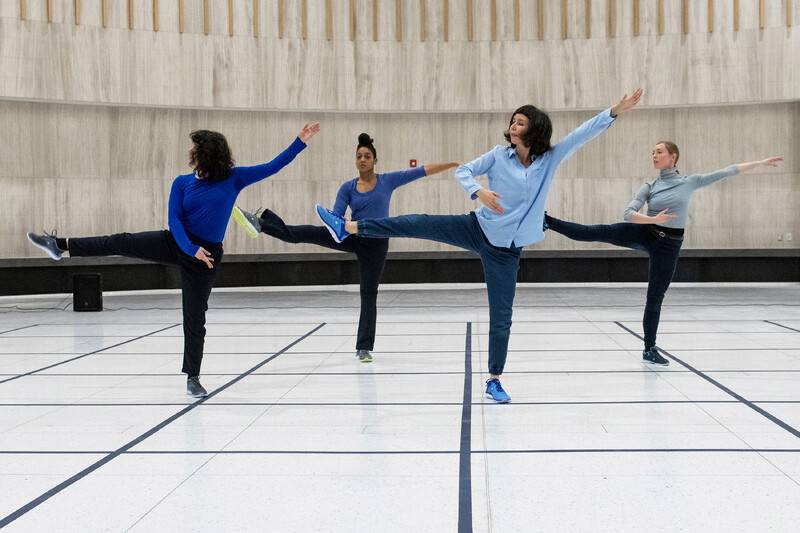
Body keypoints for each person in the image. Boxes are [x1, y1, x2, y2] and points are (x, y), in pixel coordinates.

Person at [317, 90, 643, 402]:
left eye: (520, 123)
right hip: (476, 228)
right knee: (416, 222)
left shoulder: (549, 160)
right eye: (512, 121)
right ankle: (348, 226)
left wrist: (614, 111)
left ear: (534, 130)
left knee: (502, 316)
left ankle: (494, 380)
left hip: (506, 251)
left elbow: (581, 134)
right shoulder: (499, 155)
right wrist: (478, 191)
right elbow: (464, 170)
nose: (512, 126)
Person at [26, 123, 320, 397]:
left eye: (195, 147)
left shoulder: (234, 178)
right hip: (177, 243)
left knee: (194, 317)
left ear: (207, 153)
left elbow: (272, 166)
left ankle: (192, 377)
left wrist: (299, 142)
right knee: (121, 241)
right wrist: (190, 249)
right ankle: (60, 245)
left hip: (207, 256)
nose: (190, 151)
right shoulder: (182, 183)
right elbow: (174, 220)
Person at [544, 143, 782, 366]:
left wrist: (759, 163)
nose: (654, 156)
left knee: (655, 297)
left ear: (673, 156)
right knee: (597, 231)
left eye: (659, 152)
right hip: (646, 232)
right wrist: (652, 220)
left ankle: (649, 349)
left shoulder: (690, 182)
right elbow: (629, 213)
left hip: (670, 246)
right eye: (653, 153)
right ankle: (548, 221)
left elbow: (727, 171)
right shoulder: (650, 186)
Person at [231, 132, 459, 362]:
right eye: (359, 156)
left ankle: (363, 347)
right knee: (305, 233)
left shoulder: (388, 181)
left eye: (367, 156)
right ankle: (261, 224)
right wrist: (338, 222)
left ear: (375, 160)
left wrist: (453, 164)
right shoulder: (348, 188)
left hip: (377, 243)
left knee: (368, 293)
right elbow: (337, 217)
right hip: (351, 236)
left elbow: (423, 171)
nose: (362, 160)